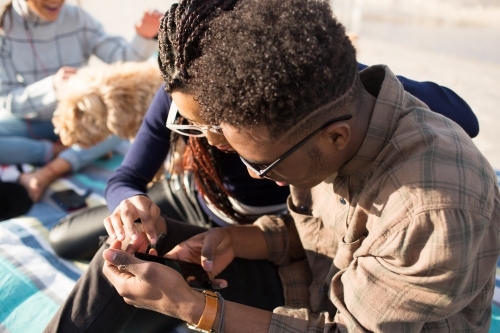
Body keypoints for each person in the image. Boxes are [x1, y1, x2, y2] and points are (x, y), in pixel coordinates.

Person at [43, 0, 494, 332]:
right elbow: (317, 232)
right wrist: (234, 239)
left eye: (263, 162)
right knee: (128, 255)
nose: (255, 174)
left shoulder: (430, 211)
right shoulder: (315, 128)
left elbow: (344, 329)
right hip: (307, 277)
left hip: (335, 316)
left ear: (334, 136)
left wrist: (194, 309)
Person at [0, 0, 161, 202]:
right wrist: (52, 86)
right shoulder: (4, 27)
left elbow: (123, 58)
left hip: (82, 119)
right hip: (31, 120)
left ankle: (45, 173)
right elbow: (7, 99)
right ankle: (57, 151)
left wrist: (144, 36)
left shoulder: (77, 17)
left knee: (120, 126)